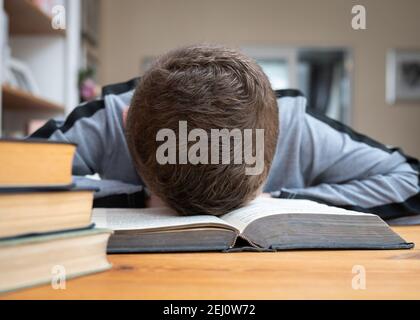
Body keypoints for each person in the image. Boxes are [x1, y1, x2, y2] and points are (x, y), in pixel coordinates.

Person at [31, 44, 420, 220]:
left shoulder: (295, 123)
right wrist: (135, 199)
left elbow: (412, 179)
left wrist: (285, 200)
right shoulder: (110, 114)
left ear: (276, 131)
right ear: (127, 120)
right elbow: (14, 180)